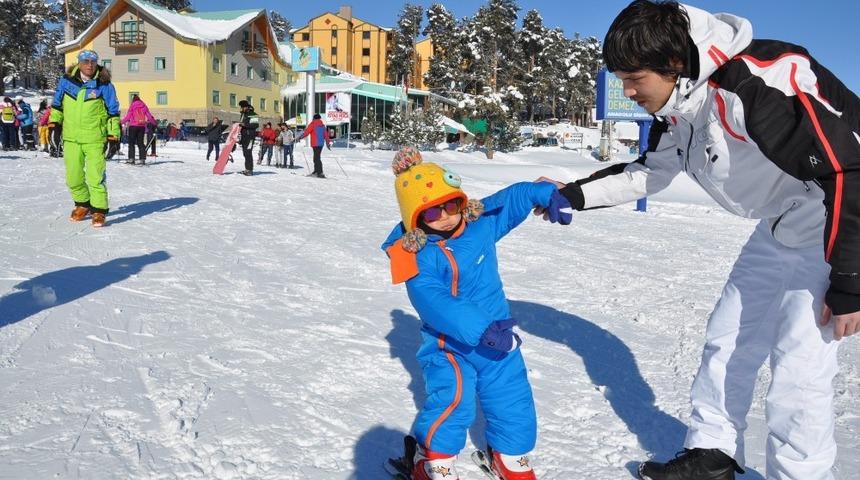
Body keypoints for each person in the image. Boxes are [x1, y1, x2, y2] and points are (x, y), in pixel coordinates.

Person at [537, 2, 860, 479]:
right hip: (781, 222)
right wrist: (574, 195)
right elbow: (650, 171)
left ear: (673, 64)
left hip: (836, 222)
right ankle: (713, 454)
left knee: (799, 369)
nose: (628, 91)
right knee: (728, 339)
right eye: (621, 79)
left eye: (634, 78)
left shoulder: (762, 82)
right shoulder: (681, 108)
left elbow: (848, 168)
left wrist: (849, 279)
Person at [381, 147, 573, 480]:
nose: (445, 215)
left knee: (512, 395)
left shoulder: (478, 225)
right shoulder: (414, 255)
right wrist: (482, 329)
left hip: (498, 336)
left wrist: (545, 193)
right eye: (432, 212)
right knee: (454, 399)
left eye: (451, 204)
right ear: (415, 218)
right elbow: (433, 300)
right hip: (449, 344)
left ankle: (510, 455)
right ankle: (432, 459)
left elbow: (510, 201)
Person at [49, 49, 120, 228]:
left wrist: (113, 136)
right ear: (79, 63)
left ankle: (99, 210)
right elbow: (57, 106)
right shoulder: (66, 81)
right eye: (86, 61)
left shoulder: (104, 85)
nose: (89, 65)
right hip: (71, 138)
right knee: (73, 177)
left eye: (93, 61)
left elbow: (113, 113)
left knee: (95, 176)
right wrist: (54, 125)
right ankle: (83, 204)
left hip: (95, 138)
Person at [121, 94, 156, 165]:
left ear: (133, 100)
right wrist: (154, 123)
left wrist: (121, 122)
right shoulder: (144, 106)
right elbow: (149, 116)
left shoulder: (132, 106)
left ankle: (131, 159)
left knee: (131, 143)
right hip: (141, 126)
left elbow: (128, 117)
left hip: (133, 126)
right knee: (140, 143)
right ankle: (142, 159)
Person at [296, 113, 331, 178]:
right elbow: (326, 135)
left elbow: (306, 132)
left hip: (315, 143)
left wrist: (300, 137)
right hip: (321, 144)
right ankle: (316, 171)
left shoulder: (313, 124)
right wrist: (327, 143)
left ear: (314, 118)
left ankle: (320, 173)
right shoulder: (322, 126)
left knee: (317, 158)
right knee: (316, 157)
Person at [237, 100, 259, 176]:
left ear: (246, 107)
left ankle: (250, 170)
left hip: (250, 137)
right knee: (245, 153)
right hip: (244, 137)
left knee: (248, 153)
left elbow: (255, 125)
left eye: (242, 107)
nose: (241, 109)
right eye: (241, 107)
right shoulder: (243, 114)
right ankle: (247, 169)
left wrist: (244, 124)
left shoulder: (253, 114)